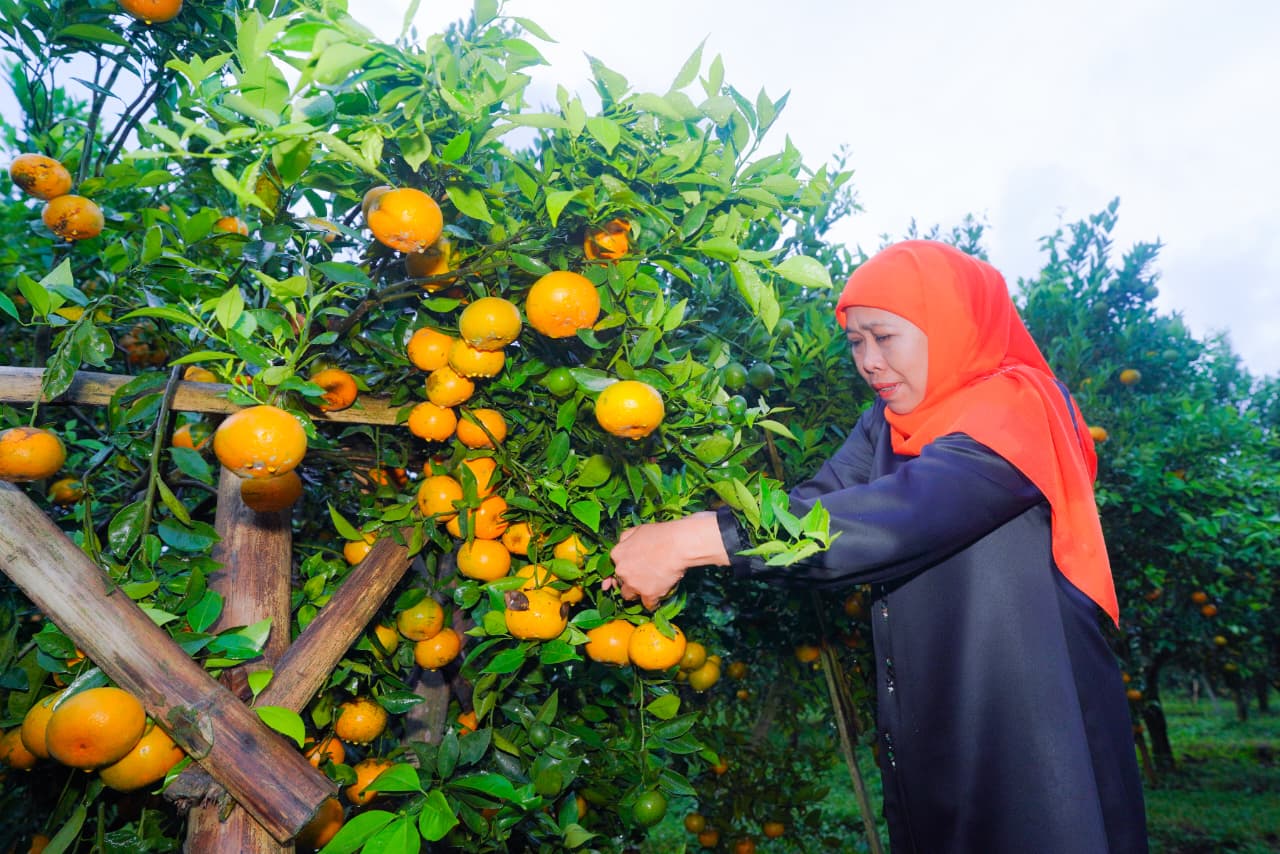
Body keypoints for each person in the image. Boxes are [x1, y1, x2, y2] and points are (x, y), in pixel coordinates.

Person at [607, 240, 1149, 853]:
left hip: (1026, 721)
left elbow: (901, 517)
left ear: (951, 324)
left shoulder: (1019, 407)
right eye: (856, 342)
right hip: (934, 719)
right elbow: (810, 507)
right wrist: (665, 534)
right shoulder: (886, 424)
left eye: (885, 338)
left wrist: (692, 541)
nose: (868, 361)